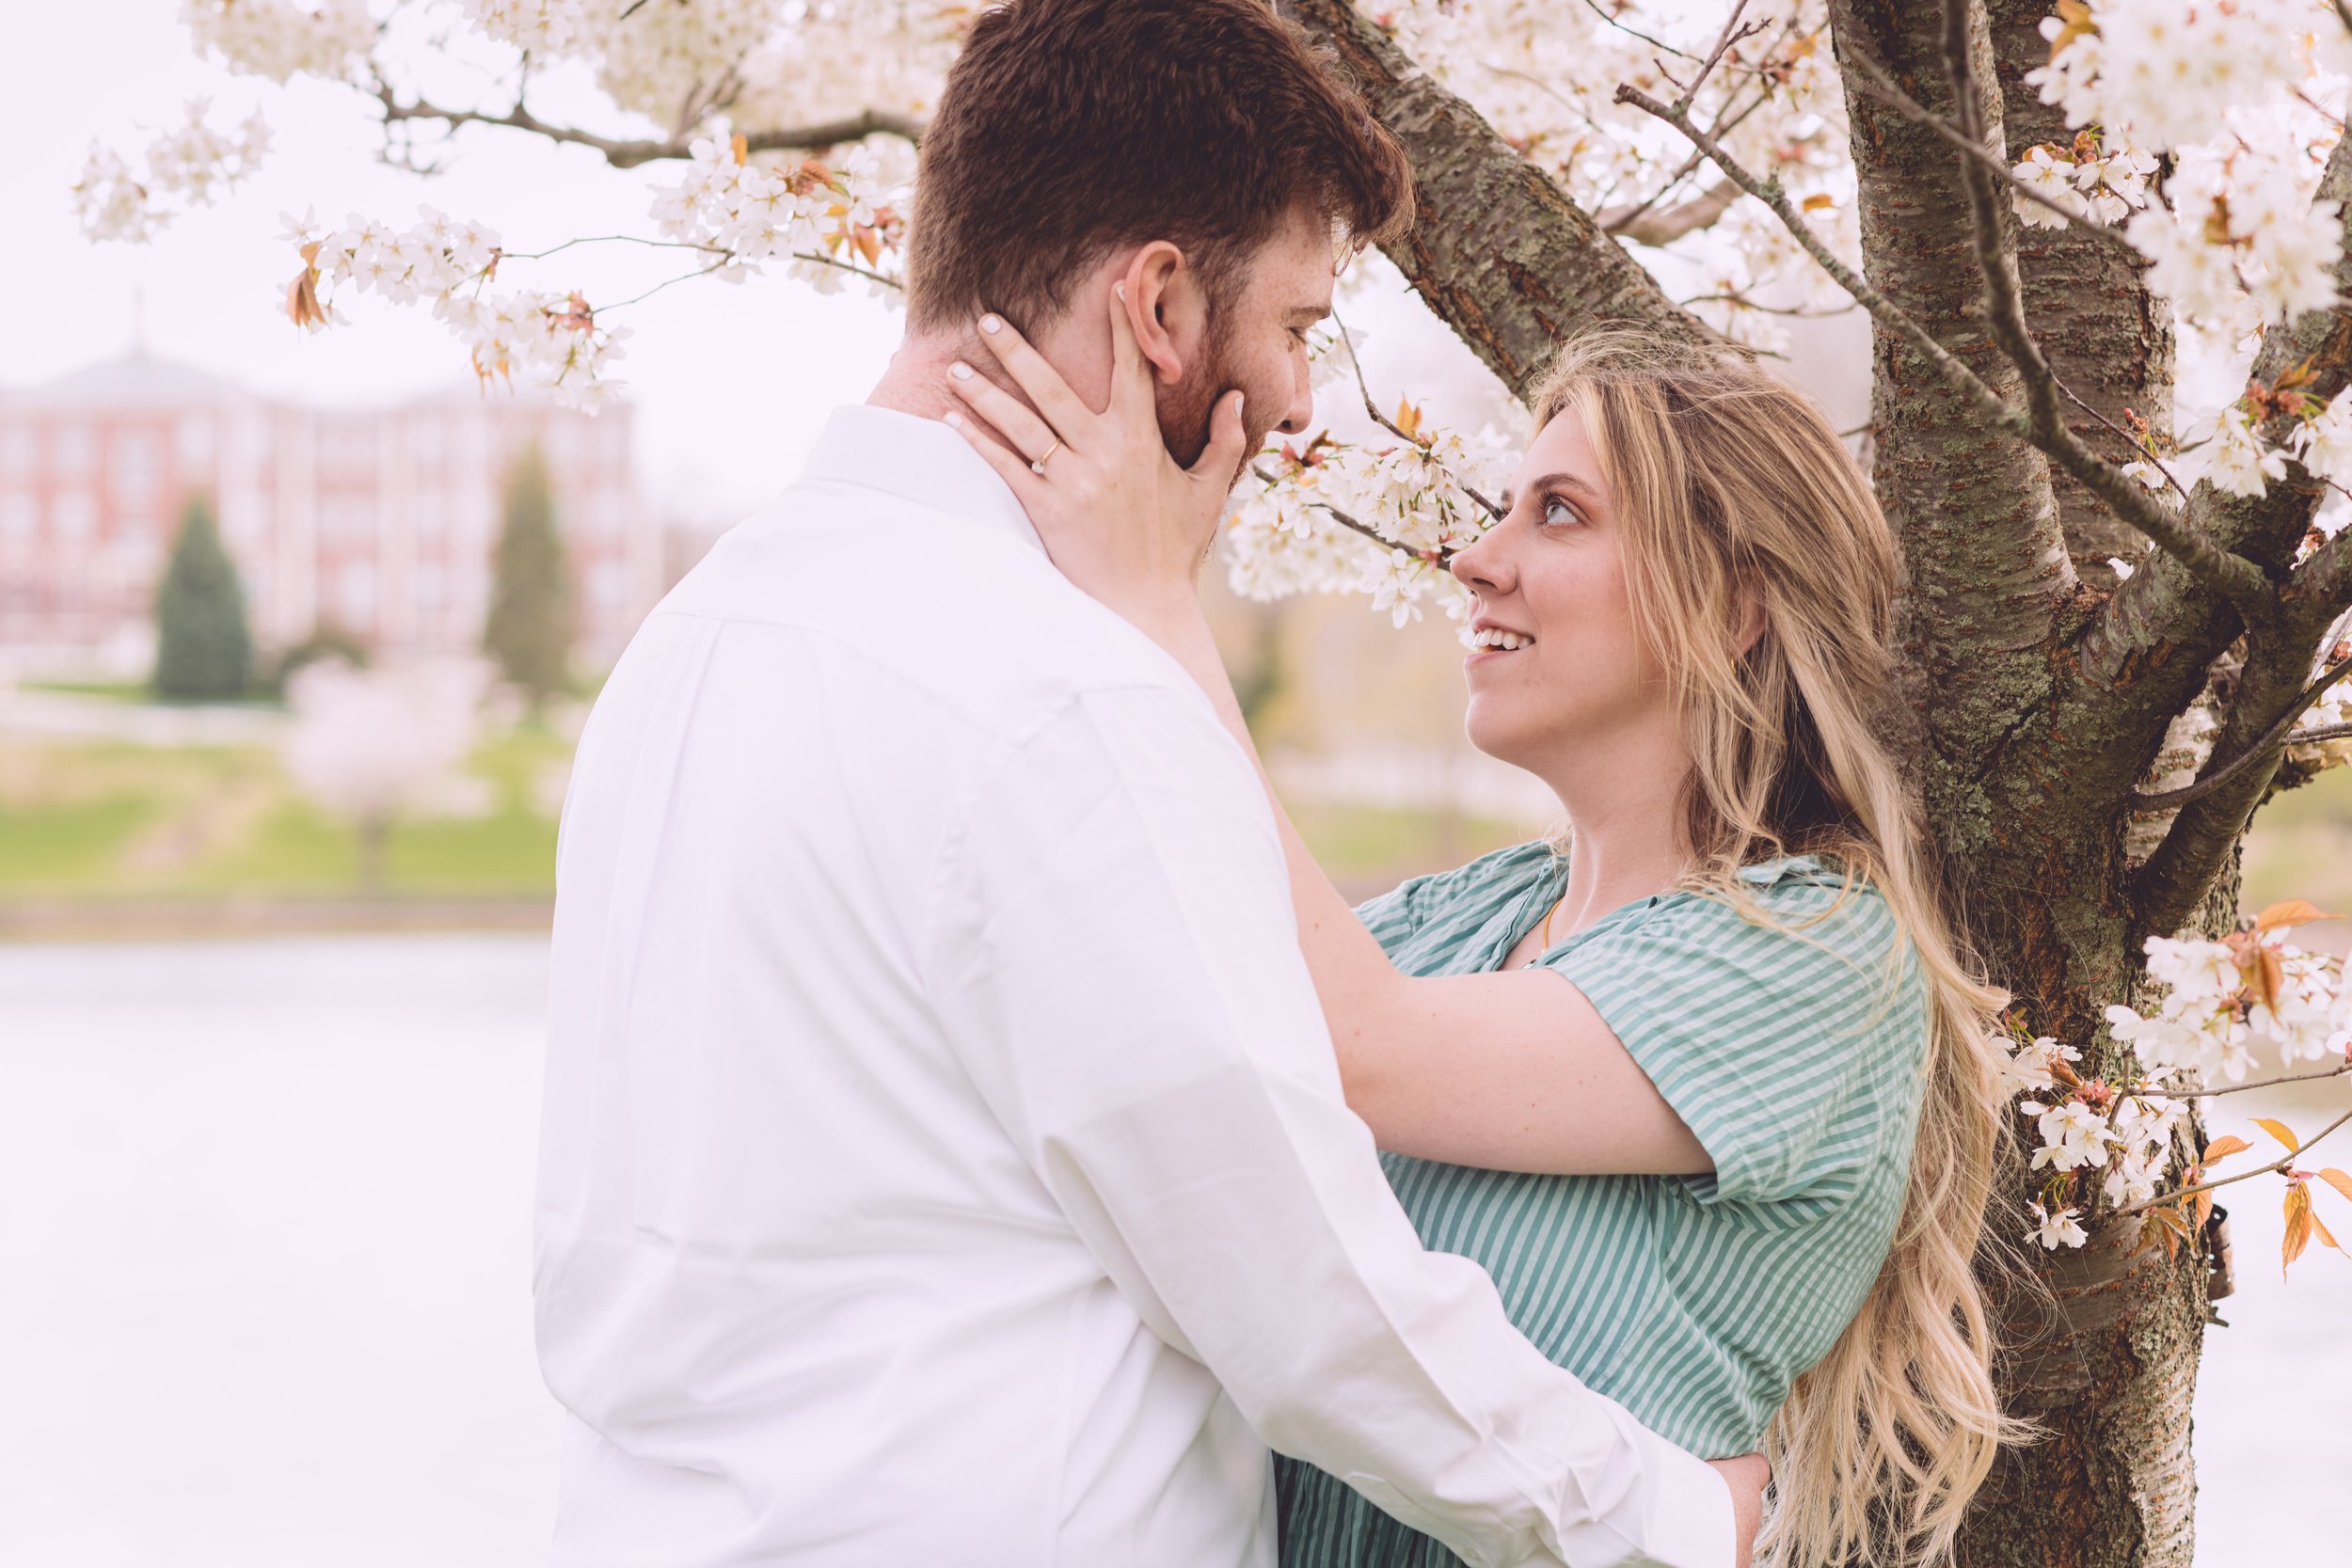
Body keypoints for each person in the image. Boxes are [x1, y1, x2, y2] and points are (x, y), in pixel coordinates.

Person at [533, 2, 1764, 1564]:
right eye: (1302, 327)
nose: (1307, 402)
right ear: (1162, 306)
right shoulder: (1063, 692)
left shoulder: (689, 645)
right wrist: (1671, 1516)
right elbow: (1302, 1287)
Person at [941, 309, 2027, 1567]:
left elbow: (1351, 1045)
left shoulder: (1822, 962)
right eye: (1506, 507)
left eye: (1557, 513)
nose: (1476, 559)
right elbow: (1191, 1017)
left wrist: (1153, 606)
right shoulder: (1463, 917)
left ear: (1736, 606)